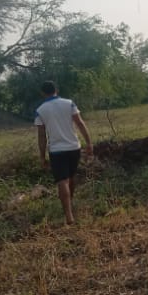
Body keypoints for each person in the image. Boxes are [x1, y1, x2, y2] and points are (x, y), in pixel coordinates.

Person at [34, 81, 92, 225]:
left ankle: (69, 215)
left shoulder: (40, 110)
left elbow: (42, 136)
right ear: (56, 90)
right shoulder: (69, 103)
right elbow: (80, 123)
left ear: (42, 93)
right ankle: (69, 202)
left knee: (62, 181)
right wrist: (89, 143)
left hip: (57, 151)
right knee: (71, 178)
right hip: (74, 147)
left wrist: (42, 156)